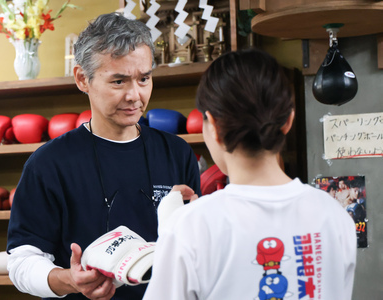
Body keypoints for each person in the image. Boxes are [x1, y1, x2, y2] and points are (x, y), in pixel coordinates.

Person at [6, 12, 201, 300]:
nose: (135, 95)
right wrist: (68, 279)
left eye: (144, 79)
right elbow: (22, 261)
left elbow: (192, 251)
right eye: (119, 82)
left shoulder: (178, 152)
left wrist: (199, 223)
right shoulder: (49, 163)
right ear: (83, 79)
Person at [143, 49, 357, 300]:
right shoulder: (335, 215)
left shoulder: (190, 227)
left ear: (215, 126)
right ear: (288, 120)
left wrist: (170, 235)